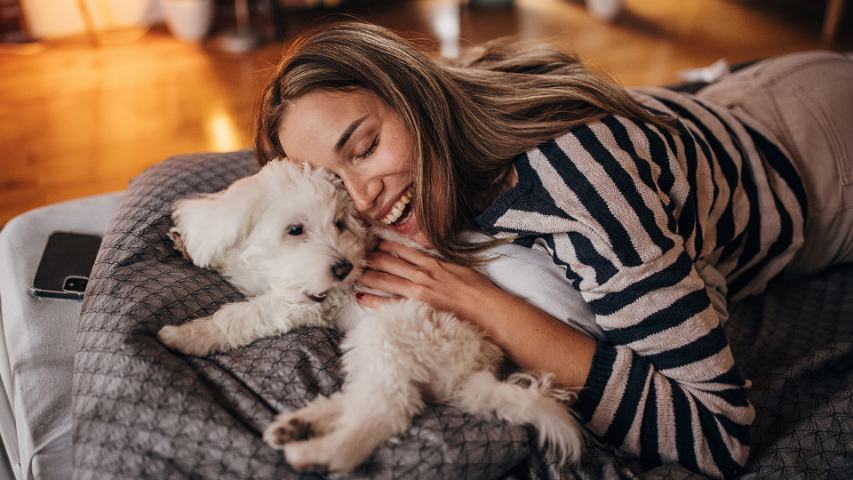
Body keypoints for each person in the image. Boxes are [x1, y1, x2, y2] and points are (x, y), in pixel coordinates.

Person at [254, 21, 853, 478]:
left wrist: (481, 303)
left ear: (415, 95)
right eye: (332, 180)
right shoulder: (455, 108)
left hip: (823, 162)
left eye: (364, 148)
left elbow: (718, 436)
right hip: (738, 92)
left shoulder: (580, 188)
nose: (359, 202)